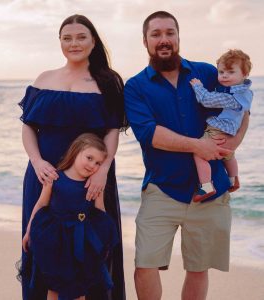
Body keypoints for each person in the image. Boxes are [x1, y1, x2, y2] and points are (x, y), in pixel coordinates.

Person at [124, 11, 249, 300]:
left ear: (179, 37)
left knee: (198, 268)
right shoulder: (135, 87)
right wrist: (198, 146)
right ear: (145, 41)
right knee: (144, 265)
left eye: (170, 32)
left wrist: (232, 146)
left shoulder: (207, 73)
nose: (164, 39)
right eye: (156, 34)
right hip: (161, 189)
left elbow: (242, 109)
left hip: (211, 190)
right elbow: (148, 133)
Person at [18, 14, 126, 300]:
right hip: (45, 176)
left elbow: (112, 132)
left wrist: (103, 169)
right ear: (60, 42)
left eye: (81, 37)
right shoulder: (44, 78)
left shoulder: (108, 81)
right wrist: (37, 161)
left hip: (91, 178)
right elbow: (28, 127)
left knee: (91, 249)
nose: (73, 43)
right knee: (43, 245)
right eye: (67, 38)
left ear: (93, 41)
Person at [22, 133, 119, 300]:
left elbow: (100, 214)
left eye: (98, 163)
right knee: (53, 288)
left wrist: (103, 242)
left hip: (82, 245)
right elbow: (40, 205)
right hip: (55, 243)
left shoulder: (94, 186)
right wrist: (29, 230)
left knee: (79, 290)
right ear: (76, 151)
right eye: (89, 158)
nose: (92, 165)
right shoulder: (55, 178)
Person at [189, 49, 253, 202]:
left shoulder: (231, 96)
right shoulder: (247, 93)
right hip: (231, 130)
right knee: (228, 154)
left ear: (244, 74)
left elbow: (207, 100)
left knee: (199, 153)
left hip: (218, 129)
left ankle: (206, 186)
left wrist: (197, 86)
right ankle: (233, 179)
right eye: (221, 71)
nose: (224, 75)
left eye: (231, 72)